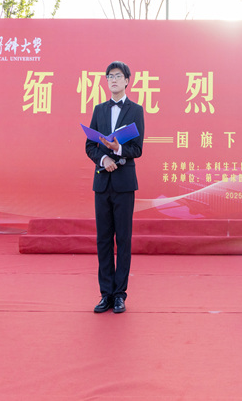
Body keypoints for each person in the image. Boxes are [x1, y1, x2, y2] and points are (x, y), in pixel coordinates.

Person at [85, 61, 144, 314]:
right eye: (110, 76)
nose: (114, 80)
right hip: (102, 182)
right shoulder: (99, 110)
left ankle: (120, 295)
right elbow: (90, 145)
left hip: (124, 183)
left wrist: (117, 149)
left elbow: (137, 148)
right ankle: (105, 294)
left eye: (118, 76)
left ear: (127, 80)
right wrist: (103, 159)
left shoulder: (136, 110)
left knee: (124, 239)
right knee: (103, 239)